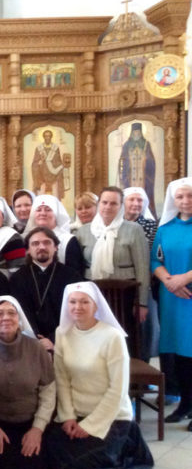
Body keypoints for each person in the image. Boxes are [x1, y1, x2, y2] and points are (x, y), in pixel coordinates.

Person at [45, 282, 153, 469]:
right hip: (77, 413)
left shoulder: (112, 337)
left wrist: (91, 425)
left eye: (85, 302)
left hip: (111, 416)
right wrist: (67, 416)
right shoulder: (62, 333)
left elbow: (118, 389)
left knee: (80, 463)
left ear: (96, 306)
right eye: (73, 302)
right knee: (50, 452)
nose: (78, 307)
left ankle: (126, 442)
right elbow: (62, 379)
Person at [0, 296, 55, 469]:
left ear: (19, 319)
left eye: (12, 313)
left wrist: (37, 429)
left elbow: (48, 391)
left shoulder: (36, 348)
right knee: (0, 463)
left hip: (29, 421)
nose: (6, 318)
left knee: (34, 465)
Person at [75, 186, 150, 331]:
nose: (108, 207)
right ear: (98, 204)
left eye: (114, 203)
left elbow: (142, 267)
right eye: (104, 202)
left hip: (125, 293)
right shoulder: (84, 231)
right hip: (94, 292)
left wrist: (142, 303)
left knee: (124, 334)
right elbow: (79, 266)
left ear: (121, 206)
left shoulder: (134, 229)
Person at [151, 178, 192, 424]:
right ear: (173, 200)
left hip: (188, 294)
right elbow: (156, 261)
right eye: (180, 197)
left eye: (189, 196)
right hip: (172, 299)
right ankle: (185, 404)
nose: (185, 201)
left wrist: (183, 279)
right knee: (177, 353)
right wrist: (169, 281)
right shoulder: (164, 229)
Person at [9, 227, 82, 353]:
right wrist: (35, 339)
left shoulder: (71, 276)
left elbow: (74, 313)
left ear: (56, 247)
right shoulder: (17, 278)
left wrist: (53, 339)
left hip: (66, 339)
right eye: (35, 243)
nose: (41, 247)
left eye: (47, 242)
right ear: (28, 250)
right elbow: (19, 313)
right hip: (29, 342)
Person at [124, 186, 160, 364]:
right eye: (132, 199)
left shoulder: (152, 226)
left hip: (145, 283)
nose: (136, 203)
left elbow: (152, 256)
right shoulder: (114, 224)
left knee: (145, 329)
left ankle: (144, 369)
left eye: (140, 200)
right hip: (121, 283)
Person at [22, 195, 85, 275]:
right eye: (38, 210)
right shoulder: (28, 239)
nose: (43, 213)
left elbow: (76, 272)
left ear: (56, 214)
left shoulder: (68, 240)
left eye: (48, 210)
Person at [118, 122, 156, 215]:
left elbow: (151, 160)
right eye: (134, 132)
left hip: (143, 176)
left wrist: (146, 159)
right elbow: (122, 160)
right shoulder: (127, 144)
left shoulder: (146, 144)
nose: (136, 134)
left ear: (141, 132)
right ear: (131, 132)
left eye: (138, 132)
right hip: (131, 176)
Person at [32, 130, 68, 199]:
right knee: (41, 197)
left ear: (51, 137)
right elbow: (34, 164)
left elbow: (58, 161)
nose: (47, 138)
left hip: (54, 176)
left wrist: (60, 165)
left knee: (55, 196)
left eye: (49, 136)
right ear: (43, 137)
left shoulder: (55, 148)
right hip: (41, 175)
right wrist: (41, 161)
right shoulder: (38, 148)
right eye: (46, 136)